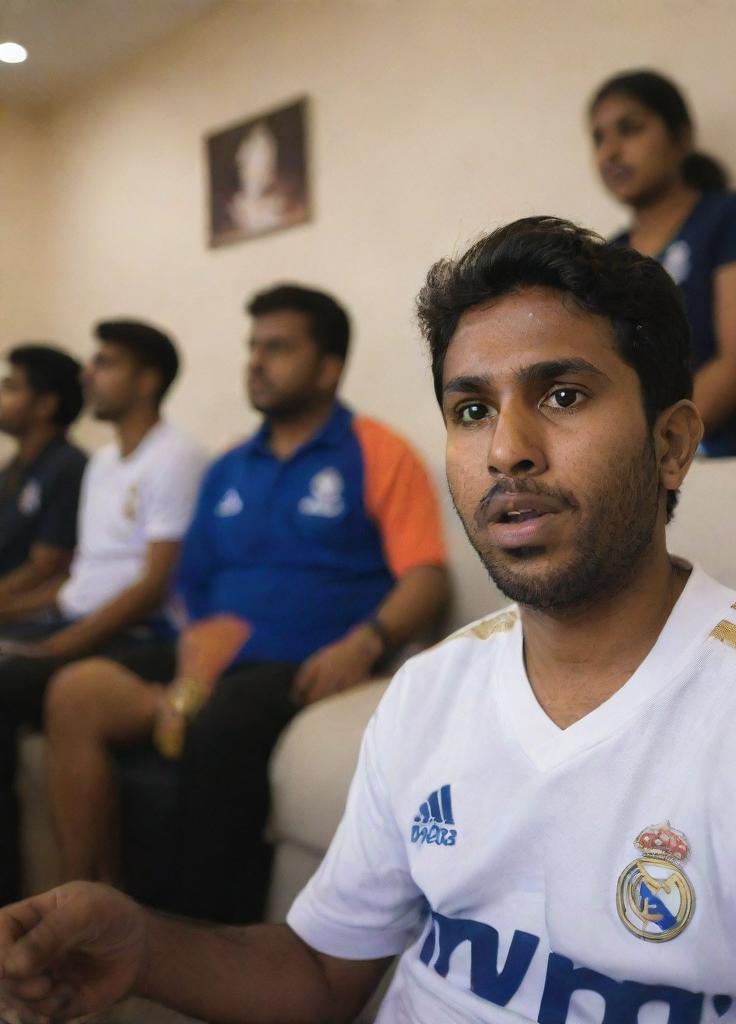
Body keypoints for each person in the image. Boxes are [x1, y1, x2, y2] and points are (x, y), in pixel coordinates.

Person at [0, 219, 736, 1023]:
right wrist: (141, 941)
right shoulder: (430, 693)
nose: (506, 449)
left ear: (673, 444)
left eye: (561, 394)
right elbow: (315, 976)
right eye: (470, 409)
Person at [43, 284, 449, 924]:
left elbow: (426, 575)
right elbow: (192, 580)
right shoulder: (229, 465)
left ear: (328, 367)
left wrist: (365, 642)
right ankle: (87, 907)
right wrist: (192, 661)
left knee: (222, 726)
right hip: (208, 658)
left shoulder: (377, 451)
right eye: (252, 347)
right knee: (72, 691)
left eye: (278, 348)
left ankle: (208, 935)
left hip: (303, 660)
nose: (256, 361)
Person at [0, 320, 205, 907]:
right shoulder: (103, 465)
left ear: (147, 381)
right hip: (72, 619)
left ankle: (45, 896)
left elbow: (152, 585)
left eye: (106, 363)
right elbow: (78, 578)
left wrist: (58, 647)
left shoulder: (177, 455)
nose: (88, 374)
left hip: (141, 631)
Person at [590, 69, 736, 456]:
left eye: (629, 129)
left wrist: (647, 447)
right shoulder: (604, 258)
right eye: (598, 138)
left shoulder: (732, 218)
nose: (610, 151)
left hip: (720, 465)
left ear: (681, 137)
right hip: (631, 473)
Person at [0, 345, 86, 617]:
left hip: (27, 618)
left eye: (11, 388)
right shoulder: (14, 469)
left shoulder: (68, 466)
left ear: (45, 405)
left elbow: (46, 566)